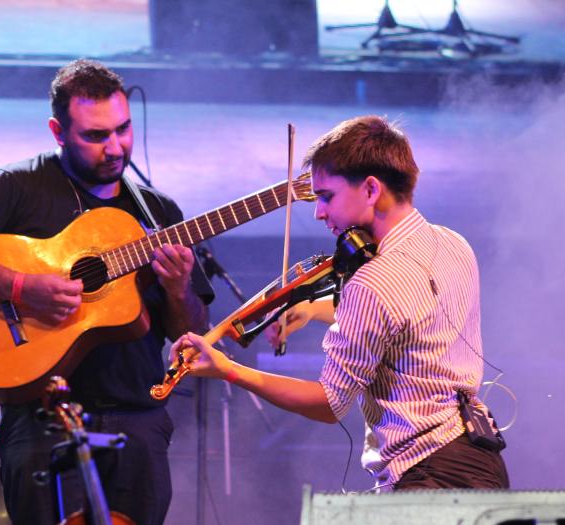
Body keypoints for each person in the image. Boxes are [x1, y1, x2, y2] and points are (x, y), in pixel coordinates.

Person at [0, 59, 213, 524]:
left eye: (123, 129)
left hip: (138, 421)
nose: (115, 147)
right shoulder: (17, 186)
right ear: (58, 130)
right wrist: (20, 287)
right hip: (41, 423)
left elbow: (192, 333)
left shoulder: (158, 212)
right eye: (96, 136)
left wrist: (177, 290)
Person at [171, 115, 508, 492]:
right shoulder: (454, 244)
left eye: (326, 196)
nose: (318, 212)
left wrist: (229, 370)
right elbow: (403, 320)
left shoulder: (371, 282)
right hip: (482, 462)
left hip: (428, 475)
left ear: (369, 189)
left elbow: (330, 403)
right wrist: (315, 308)